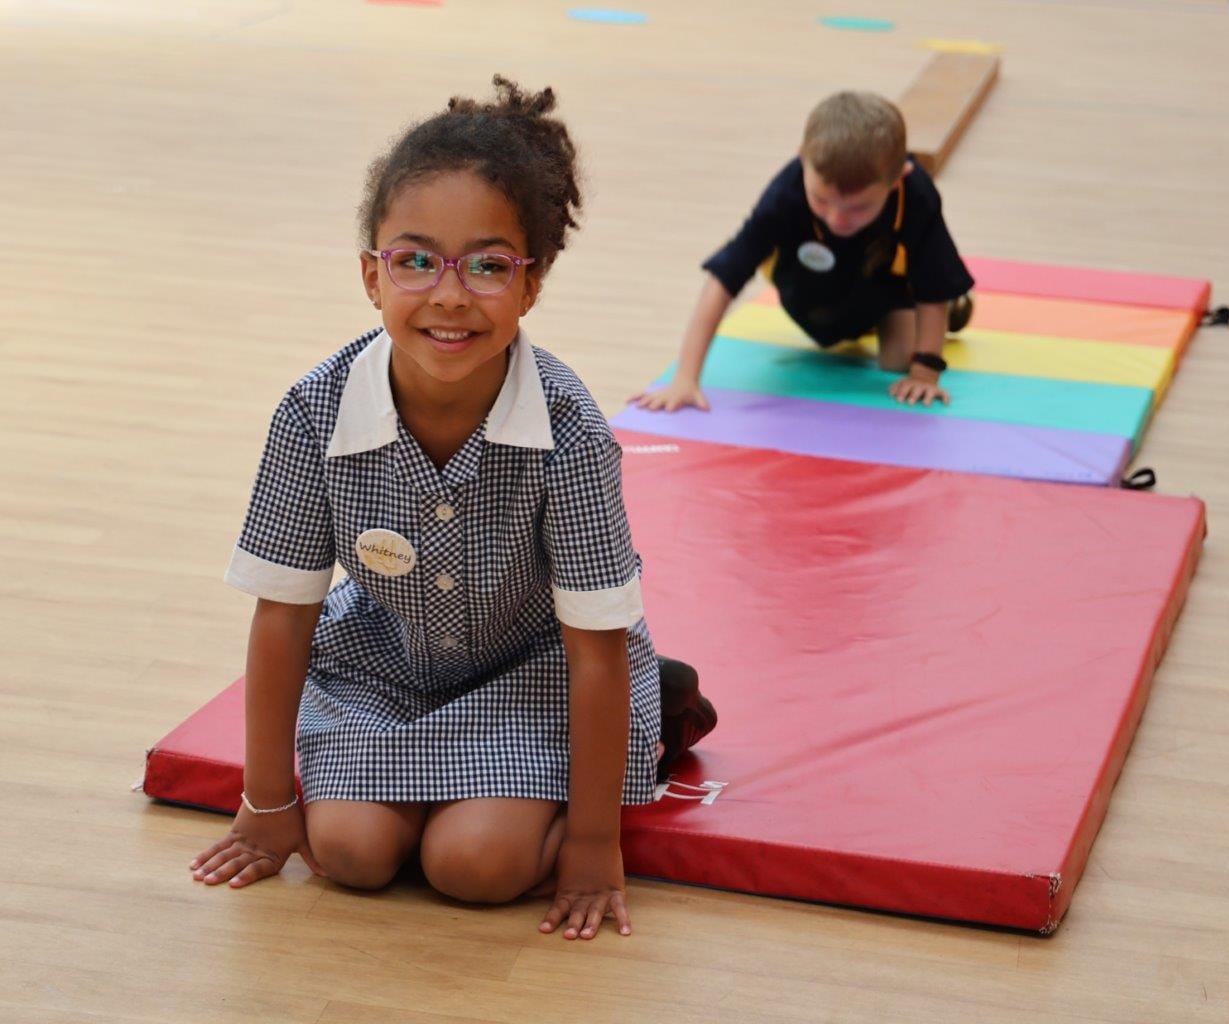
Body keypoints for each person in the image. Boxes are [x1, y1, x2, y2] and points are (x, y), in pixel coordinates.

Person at [189, 76, 715, 942]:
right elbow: (282, 618)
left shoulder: (572, 431)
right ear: (371, 274)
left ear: (531, 284)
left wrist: (592, 843)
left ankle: (657, 712)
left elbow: (592, 647)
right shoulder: (311, 413)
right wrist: (265, 803)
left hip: (534, 670)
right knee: (351, 853)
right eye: (416, 259)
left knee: (475, 868)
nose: (449, 295)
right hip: (381, 670)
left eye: (487, 265)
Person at [634, 90, 974, 411]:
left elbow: (933, 285)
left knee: (900, 360)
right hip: (808, 290)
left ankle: (948, 311)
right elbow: (724, 277)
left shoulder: (915, 196)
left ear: (898, 178)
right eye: (822, 200)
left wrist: (925, 373)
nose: (837, 218)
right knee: (827, 325)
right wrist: (685, 378)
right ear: (802, 159)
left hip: (884, 287)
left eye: (859, 208)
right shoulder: (787, 194)